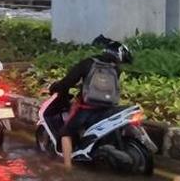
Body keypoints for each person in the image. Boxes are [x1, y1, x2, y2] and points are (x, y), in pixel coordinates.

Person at [49, 36, 132, 167]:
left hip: (86, 108)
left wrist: (56, 87)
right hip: (108, 108)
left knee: (65, 133)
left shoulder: (88, 63)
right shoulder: (116, 69)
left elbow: (68, 81)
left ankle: (67, 168)